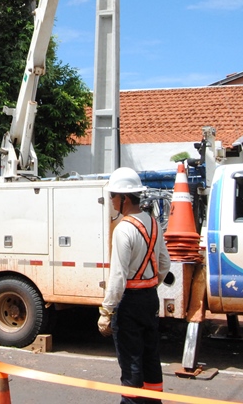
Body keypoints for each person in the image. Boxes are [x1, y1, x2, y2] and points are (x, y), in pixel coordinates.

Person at [98, 167, 171, 403]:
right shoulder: (154, 223)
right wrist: (150, 284)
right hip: (149, 299)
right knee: (151, 358)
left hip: (129, 302)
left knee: (131, 364)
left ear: (124, 198)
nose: (110, 201)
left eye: (112, 196)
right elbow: (164, 263)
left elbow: (118, 277)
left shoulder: (124, 229)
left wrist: (106, 312)